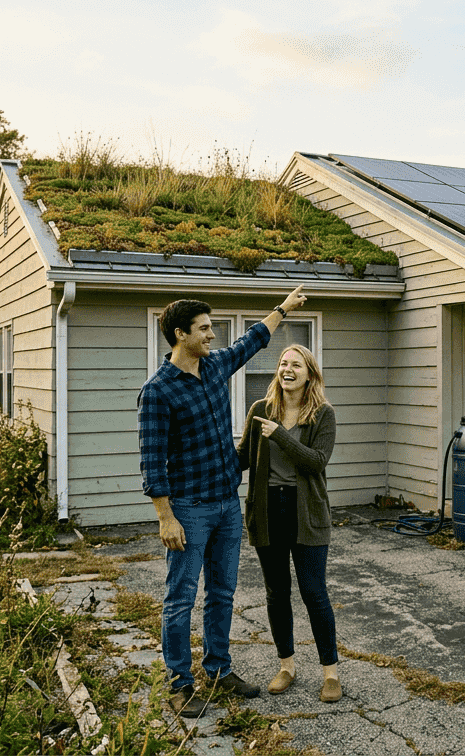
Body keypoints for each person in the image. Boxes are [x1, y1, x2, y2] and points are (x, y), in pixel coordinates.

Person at [138, 286, 307, 718]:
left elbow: (252, 341)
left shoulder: (214, 367)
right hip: (188, 508)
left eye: (211, 328)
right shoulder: (158, 391)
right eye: (204, 329)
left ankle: (218, 670)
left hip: (227, 505)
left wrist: (283, 308)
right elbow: (152, 462)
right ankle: (179, 684)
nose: (212, 335)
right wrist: (166, 518)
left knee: (222, 593)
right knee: (180, 598)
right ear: (181, 335)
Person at [237, 343, 342, 702]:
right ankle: (286, 667)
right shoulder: (260, 410)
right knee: (277, 593)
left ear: (309, 374)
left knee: (314, 592)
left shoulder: (322, 414)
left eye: (296, 365)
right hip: (268, 511)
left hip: (307, 511)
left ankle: (331, 674)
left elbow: (317, 461)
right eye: (283, 363)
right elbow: (242, 458)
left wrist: (279, 434)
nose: (288, 369)